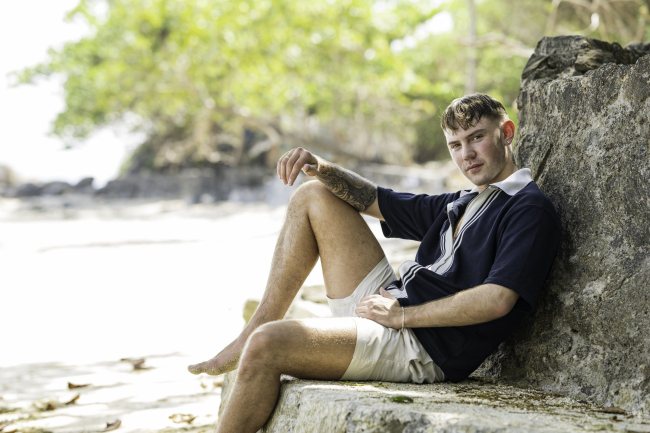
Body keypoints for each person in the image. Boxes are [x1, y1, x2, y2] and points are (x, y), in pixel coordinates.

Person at [188, 93, 561, 433]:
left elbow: (497, 299)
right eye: (456, 145)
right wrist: (319, 166)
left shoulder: (528, 208)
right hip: (386, 305)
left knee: (268, 344)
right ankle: (255, 325)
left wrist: (402, 316)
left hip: (420, 345)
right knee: (314, 194)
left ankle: (255, 339)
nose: (467, 154)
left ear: (506, 132)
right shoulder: (463, 200)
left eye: (476, 138)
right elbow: (375, 199)